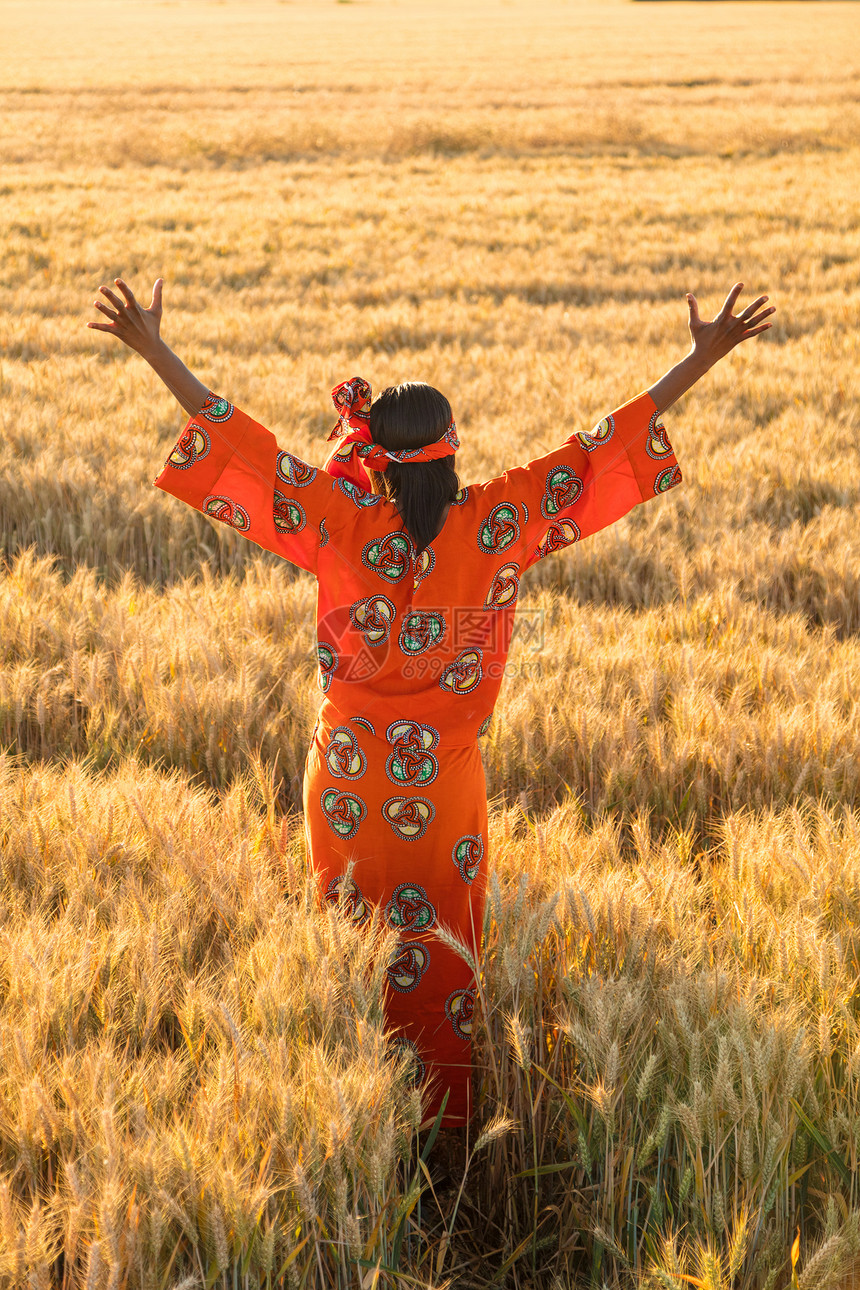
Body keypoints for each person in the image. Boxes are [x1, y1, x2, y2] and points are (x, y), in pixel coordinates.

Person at [88, 277, 774, 1126]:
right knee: (440, 960)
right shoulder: (499, 519)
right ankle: (449, 1128)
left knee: (350, 949)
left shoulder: (340, 518)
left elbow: (245, 444)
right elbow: (596, 447)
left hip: (345, 780)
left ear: (376, 454)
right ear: (452, 452)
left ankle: (350, 1118)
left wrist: (155, 349)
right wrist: (700, 359)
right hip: (439, 794)